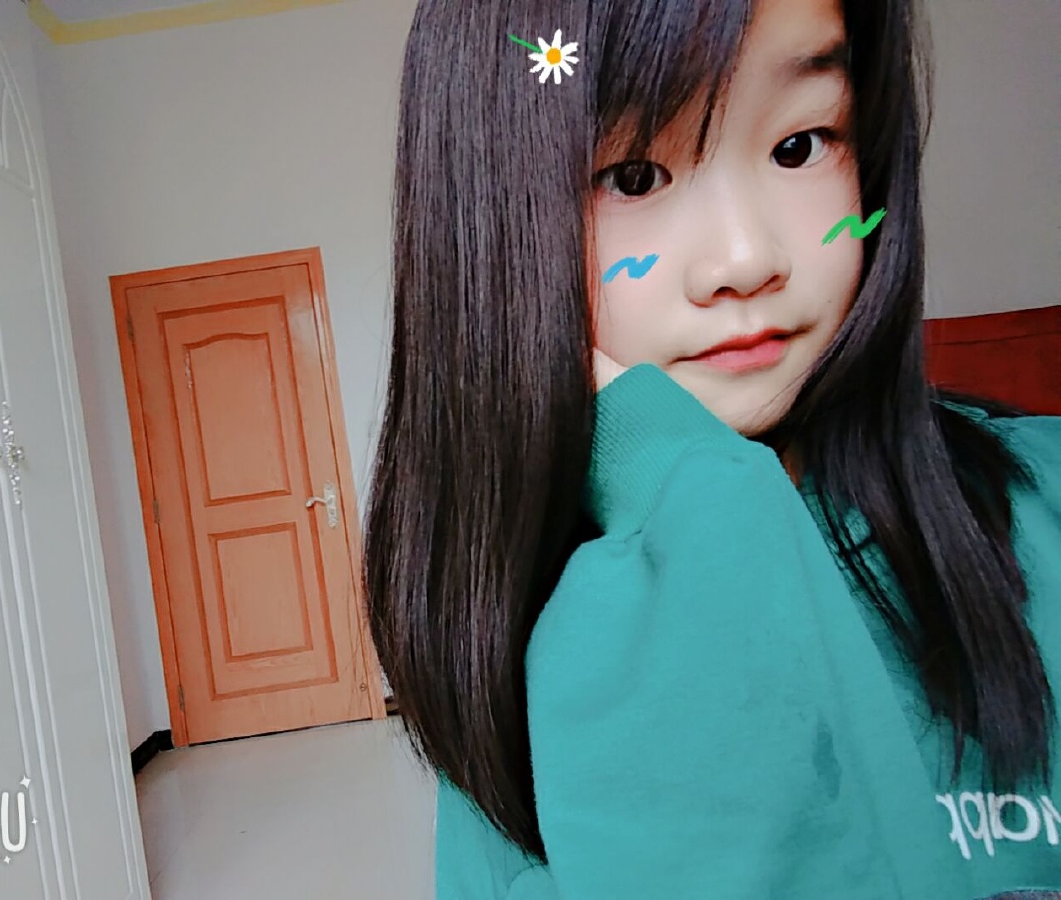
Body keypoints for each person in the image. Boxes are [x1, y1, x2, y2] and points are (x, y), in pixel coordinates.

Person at [361, 0, 1061, 896]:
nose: (744, 258)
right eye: (633, 175)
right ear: (493, 232)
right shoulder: (518, 656)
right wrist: (699, 510)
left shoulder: (1044, 505)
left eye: (800, 146)